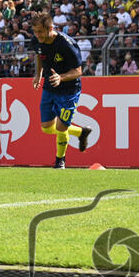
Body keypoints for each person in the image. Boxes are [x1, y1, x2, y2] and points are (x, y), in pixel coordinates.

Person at [31, 12, 92, 168]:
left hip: (69, 90)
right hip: (49, 87)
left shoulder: (66, 44)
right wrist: (38, 74)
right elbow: (38, 54)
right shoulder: (37, 40)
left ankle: (60, 160)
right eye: (35, 31)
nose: (37, 35)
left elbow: (78, 71)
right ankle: (81, 132)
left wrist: (61, 77)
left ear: (50, 28)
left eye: (40, 31)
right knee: (46, 128)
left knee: (60, 127)